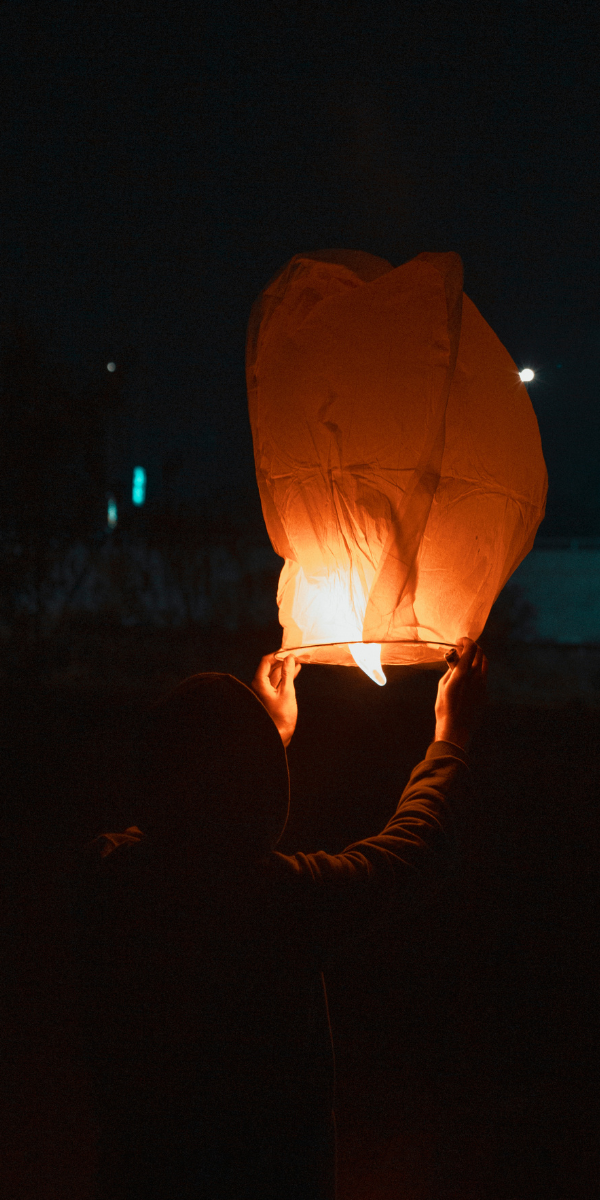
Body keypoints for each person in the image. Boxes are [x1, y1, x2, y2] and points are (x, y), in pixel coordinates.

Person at [70, 637, 486, 1200]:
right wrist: (451, 736)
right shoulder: (274, 902)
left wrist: (262, 741)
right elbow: (409, 855)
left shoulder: (108, 875)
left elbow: (190, 815)